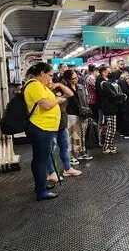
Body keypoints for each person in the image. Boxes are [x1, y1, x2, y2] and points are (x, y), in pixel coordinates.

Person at [23, 62, 64, 201]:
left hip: (44, 127)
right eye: (49, 75)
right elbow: (45, 105)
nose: (50, 79)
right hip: (41, 127)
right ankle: (41, 191)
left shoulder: (39, 85)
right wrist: (57, 100)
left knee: (41, 159)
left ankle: (40, 186)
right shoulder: (34, 85)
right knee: (41, 160)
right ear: (42, 73)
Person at [48, 77, 82, 181]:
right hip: (50, 123)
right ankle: (52, 172)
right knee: (49, 150)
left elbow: (70, 94)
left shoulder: (58, 88)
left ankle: (67, 168)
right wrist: (57, 100)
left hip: (62, 122)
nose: (49, 79)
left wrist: (59, 85)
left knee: (65, 146)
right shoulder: (42, 90)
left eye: (50, 77)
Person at [64, 69, 93, 162]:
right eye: (73, 78)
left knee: (82, 135)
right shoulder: (65, 88)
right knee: (73, 136)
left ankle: (82, 153)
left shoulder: (80, 86)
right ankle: (72, 156)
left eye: (76, 77)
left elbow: (85, 99)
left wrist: (87, 112)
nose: (76, 79)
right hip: (71, 114)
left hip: (83, 114)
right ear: (68, 80)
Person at [99, 65, 127, 154]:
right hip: (109, 108)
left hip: (110, 107)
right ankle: (106, 146)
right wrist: (123, 96)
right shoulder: (105, 83)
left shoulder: (105, 82)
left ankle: (110, 145)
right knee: (111, 128)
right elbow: (112, 95)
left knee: (112, 128)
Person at [116, 70, 129, 139]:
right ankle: (127, 133)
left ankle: (123, 131)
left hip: (122, 101)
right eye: (127, 75)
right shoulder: (123, 81)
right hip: (126, 102)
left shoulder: (119, 80)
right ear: (124, 74)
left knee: (123, 117)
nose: (128, 77)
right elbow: (126, 91)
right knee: (127, 117)